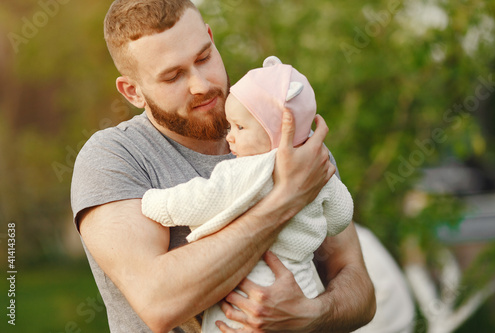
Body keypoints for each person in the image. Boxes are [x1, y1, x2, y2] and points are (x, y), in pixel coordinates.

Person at [70, 0, 376, 332]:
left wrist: (311, 314)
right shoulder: (115, 157)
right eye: (173, 76)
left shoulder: (286, 138)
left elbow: (360, 288)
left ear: (211, 39)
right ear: (133, 92)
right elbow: (158, 302)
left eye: (204, 57)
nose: (201, 85)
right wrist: (287, 197)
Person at [141, 56, 355, 332]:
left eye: (240, 128)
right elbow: (340, 218)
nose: (230, 136)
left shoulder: (246, 170)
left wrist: (154, 203)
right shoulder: (318, 168)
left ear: (278, 130)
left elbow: (200, 198)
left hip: (249, 294)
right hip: (302, 285)